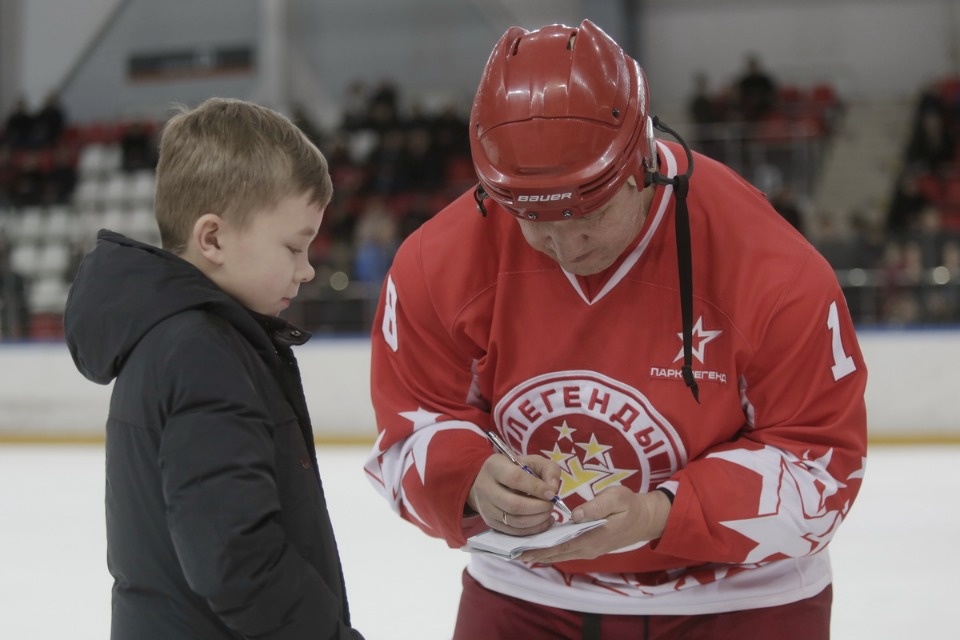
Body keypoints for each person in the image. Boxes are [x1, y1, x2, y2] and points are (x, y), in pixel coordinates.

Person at [364, 20, 867, 640]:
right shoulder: (435, 264)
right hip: (527, 595)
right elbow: (405, 435)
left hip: (745, 600)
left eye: (590, 213)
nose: (565, 245)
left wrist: (660, 514)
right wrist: (467, 480)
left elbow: (820, 467)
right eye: (533, 219)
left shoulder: (774, 270)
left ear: (642, 163)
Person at [64, 97, 364, 640]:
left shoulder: (184, 340)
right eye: (294, 248)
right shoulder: (200, 354)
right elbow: (239, 560)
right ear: (213, 239)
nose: (307, 270)